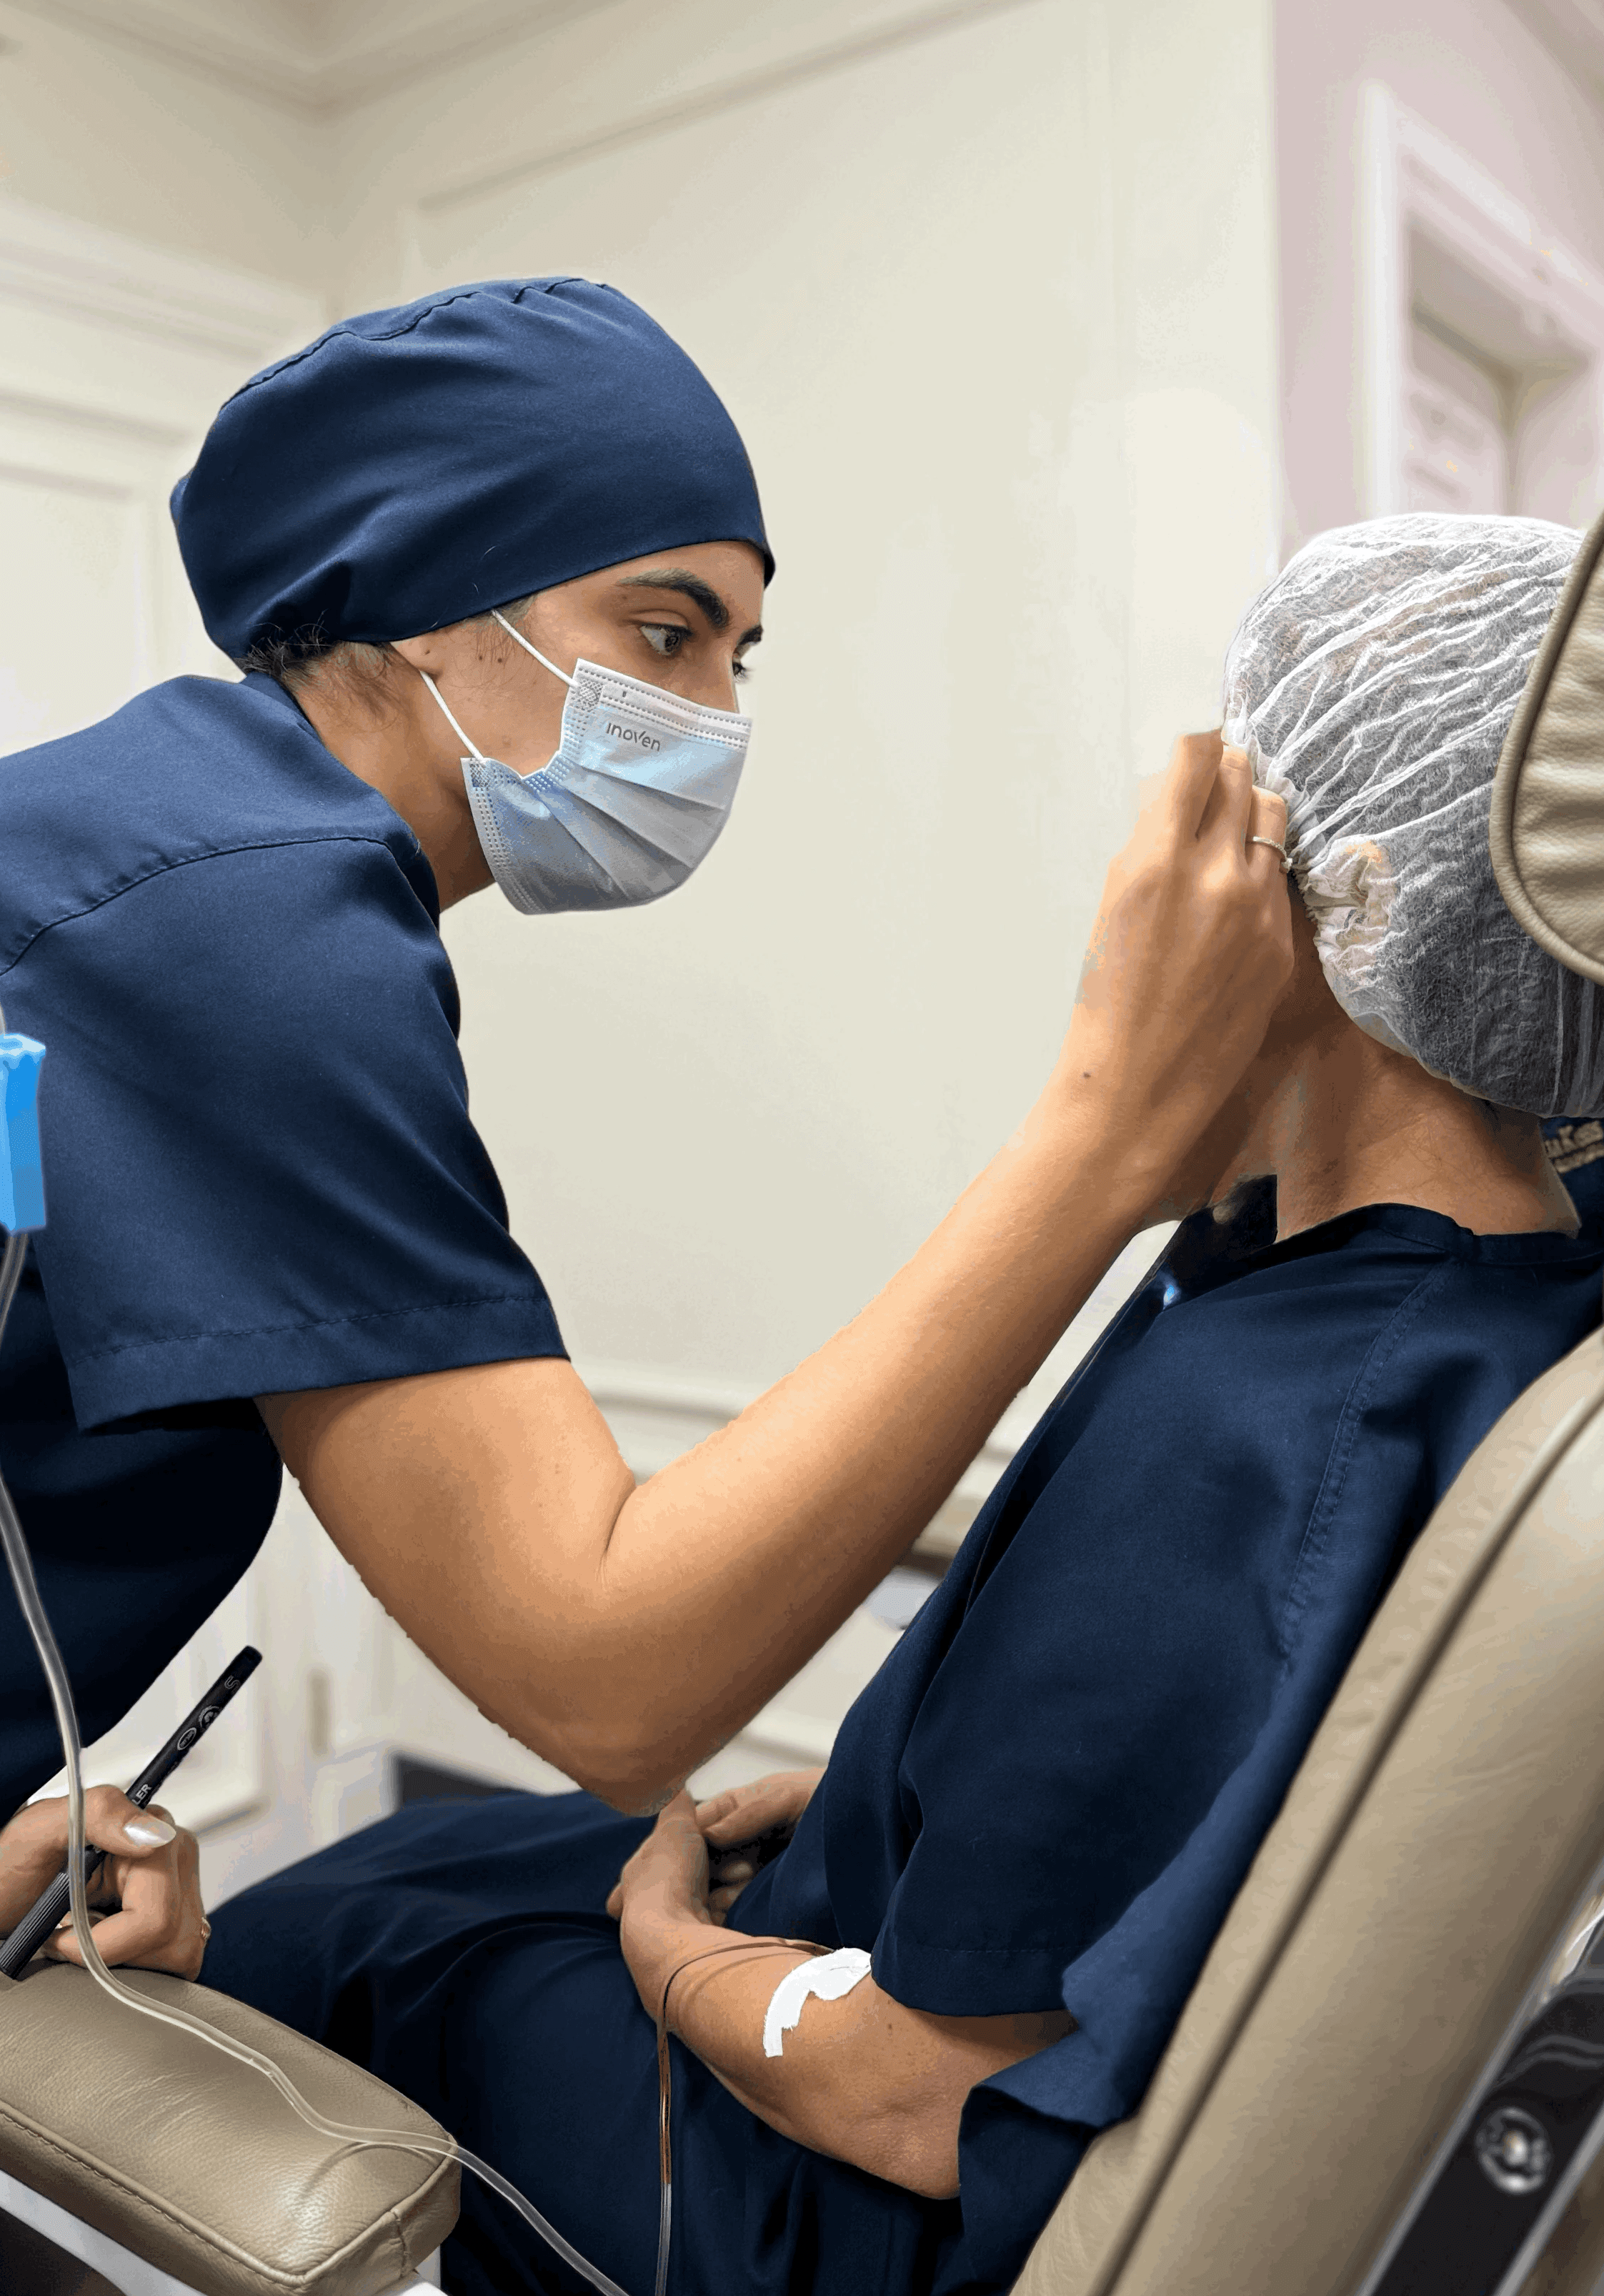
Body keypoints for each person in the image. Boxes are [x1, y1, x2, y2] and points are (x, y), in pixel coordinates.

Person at [179, 515, 1604, 2296]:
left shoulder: (1276, 1417)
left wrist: (671, 1943)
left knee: (357, 1930)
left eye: (1200, 840)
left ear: (1333, 898)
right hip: (908, 1953)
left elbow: (918, 2094)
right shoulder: (1489, 1296)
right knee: (435, 1854)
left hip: (829, 2196)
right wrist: (880, 1788)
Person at [0, 275, 1289, 1842]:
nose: (714, 716)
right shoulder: (241, 925)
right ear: (420, 603)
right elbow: (606, 1678)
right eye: (663, 633)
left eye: (739, 655)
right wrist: (1109, 1137)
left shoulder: (171, 833)